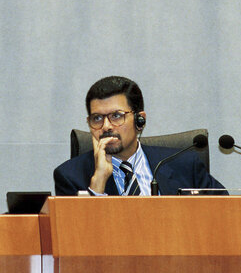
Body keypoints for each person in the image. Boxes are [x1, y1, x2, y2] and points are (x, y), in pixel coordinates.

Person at [54, 76, 225, 196]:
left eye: (116, 116)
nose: (106, 126)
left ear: (140, 119)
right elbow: (75, 238)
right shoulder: (70, 176)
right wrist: (98, 183)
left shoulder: (184, 165)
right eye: (97, 118)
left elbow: (225, 213)